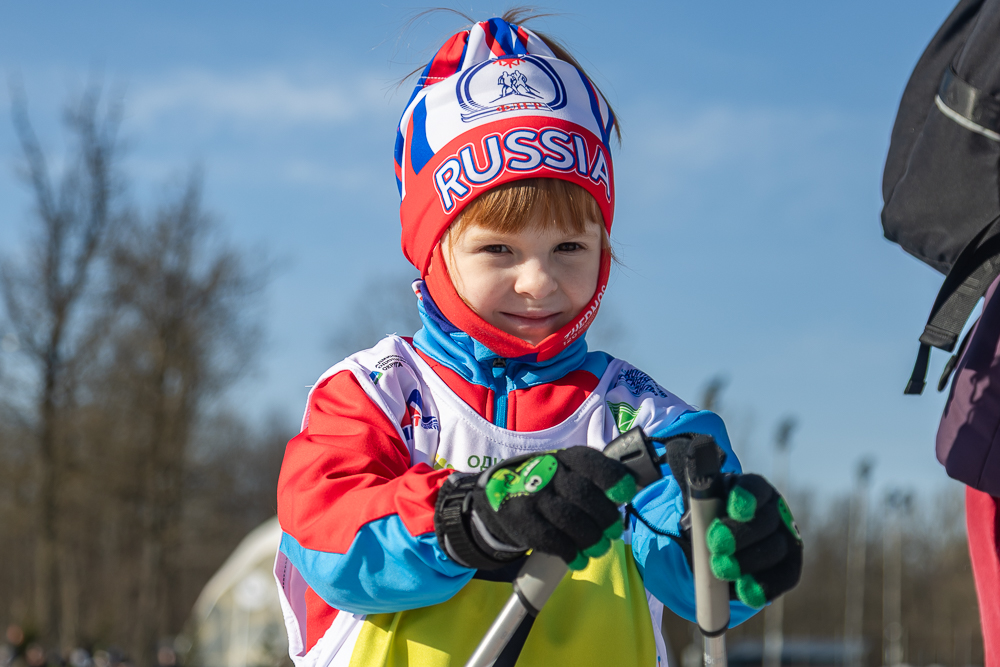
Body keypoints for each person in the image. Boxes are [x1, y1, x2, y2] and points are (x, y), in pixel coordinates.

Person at [274, 12, 803, 667]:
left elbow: (682, 552)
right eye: (498, 248)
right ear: (434, 251)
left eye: (569, 247)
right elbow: (327, 537)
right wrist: (468, 518)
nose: (538, 282)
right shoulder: (375, 394)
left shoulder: (639, 414)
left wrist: (729, 543)